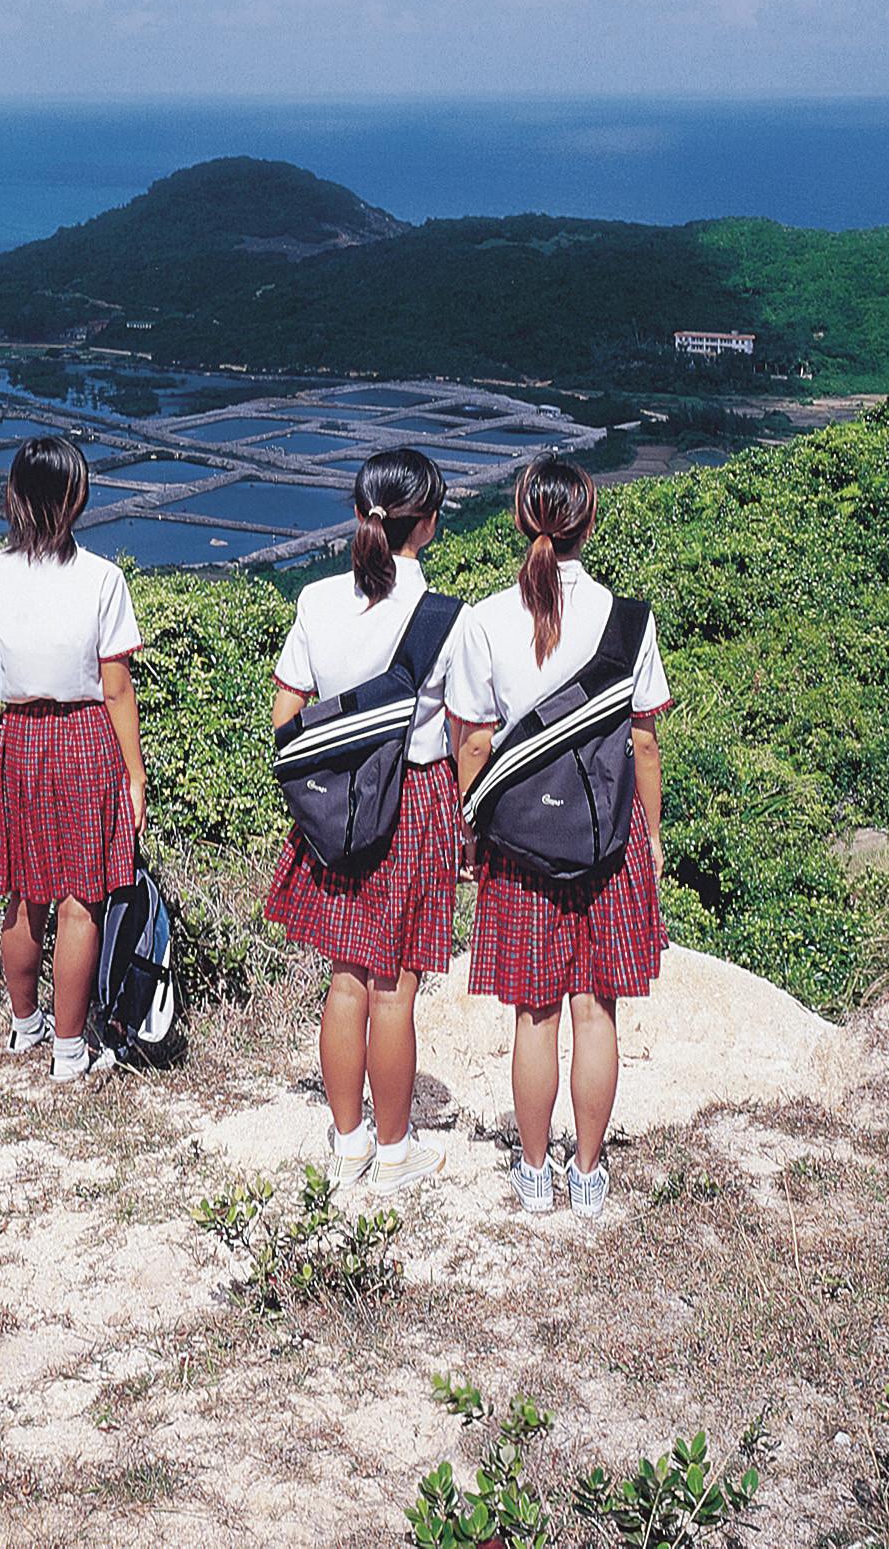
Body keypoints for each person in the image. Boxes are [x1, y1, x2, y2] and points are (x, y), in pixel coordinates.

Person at [444, 456, 672, 1220]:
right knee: (595, 1008)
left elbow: (472, 741)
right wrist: (654, 835)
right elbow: (644, 742)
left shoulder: (482, 619)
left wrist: (471, 833)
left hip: (520, 843)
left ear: (520, 519)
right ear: (589, 522)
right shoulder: (629, 621)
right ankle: (589, 1174)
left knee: (533, 1011)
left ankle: (534, 1172)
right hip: (610, 839)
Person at [265, 449, 463, 1198]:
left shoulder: (315, 599)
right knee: (395, 988)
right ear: (430, 525)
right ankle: (395, 1147)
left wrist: (318, 798)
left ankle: (347, 1143)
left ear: (360, 515)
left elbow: (287, 714)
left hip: (338, 804)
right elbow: (468, 732)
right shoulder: (448, 619)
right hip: (414, 800)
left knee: (345, 979)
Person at [0, 434, 147, 1082]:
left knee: (22, 891)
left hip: (21, 737)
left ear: (13, 496)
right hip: (87, 736)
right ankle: (70, 1051)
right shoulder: (102, 577)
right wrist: (136, 773)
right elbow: (116, 684)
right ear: (77, 497)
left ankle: (23, 1025)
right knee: (79, 899)